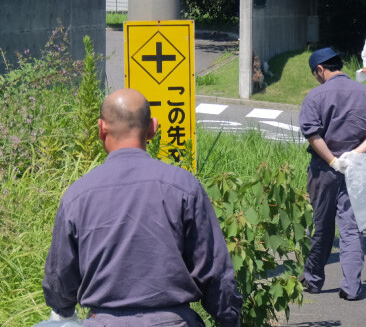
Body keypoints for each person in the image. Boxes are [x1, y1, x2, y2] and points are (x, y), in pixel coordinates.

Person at [42, 89, 242, 327]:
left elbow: (59, 282)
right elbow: (215, 273)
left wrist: (63, 308)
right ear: (152, 129)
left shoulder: (77, 196)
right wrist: (229, 320)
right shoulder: (184, 187)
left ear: (101, 129)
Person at [299, 48, 366, 301]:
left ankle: (314, 280)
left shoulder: (315, 97)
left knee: (320, 226)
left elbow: (313, 134)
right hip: (356, 169)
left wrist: (333, 160)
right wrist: (355, 155)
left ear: (320, 69)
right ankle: (351, 287)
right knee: (351, 228)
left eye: (315, 74)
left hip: (324, 170)